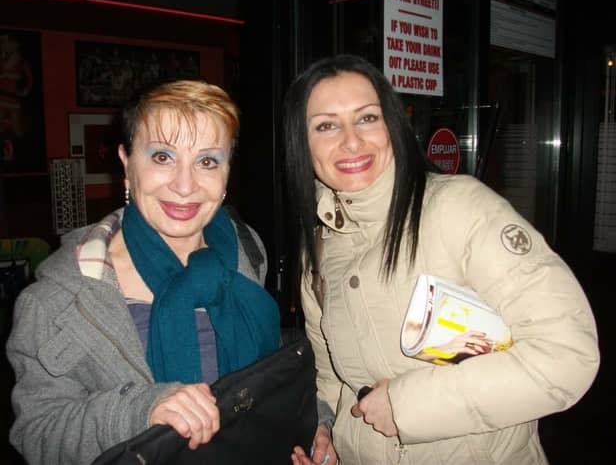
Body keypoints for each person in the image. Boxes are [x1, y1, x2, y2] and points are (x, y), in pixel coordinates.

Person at [283, 54, 600, 465]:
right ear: (301, 144)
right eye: (326, 125)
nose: (351, 141)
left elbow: (567, 355)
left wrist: (406, 406)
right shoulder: (320, 247)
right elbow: (332, 375)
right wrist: (326, 429)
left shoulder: (458, 209)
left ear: (392, 124)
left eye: (366, 118)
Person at [6, 79, 282, 465]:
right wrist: (140, 411)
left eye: (207, 161)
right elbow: (38, 434)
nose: (185, 186)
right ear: (126, 162)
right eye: (162, 157)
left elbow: (270, 369)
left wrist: (312, 423)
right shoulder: (60, 300)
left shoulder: (245, 249)